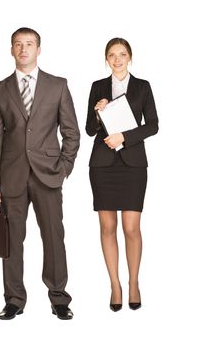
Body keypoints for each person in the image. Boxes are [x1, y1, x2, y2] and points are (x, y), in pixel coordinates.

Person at [0, 27, 80, 320]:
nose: (23, 49)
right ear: (11, 50)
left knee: (54, 237)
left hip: (49, 174)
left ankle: (59, 298)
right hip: (11, 177)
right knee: (10, 241)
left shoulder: (58, 85)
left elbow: (72, 133)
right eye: (18, 44)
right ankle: (14, 299)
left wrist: (63, 168)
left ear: (39, 50)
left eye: (29, 44)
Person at [85, 38, 158, 312]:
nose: (117, 59)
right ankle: (115, 285)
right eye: (112, 55)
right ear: (106, 58)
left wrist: (123, 138)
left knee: (131, 228)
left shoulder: (142, 87)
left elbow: (153, 125)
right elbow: (90, 130)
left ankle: (134, 283)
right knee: (107, 228)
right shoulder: (97, 87)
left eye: (122, 54)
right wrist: (97, 111)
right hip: (102, 165)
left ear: (130, 57)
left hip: (133, 164)